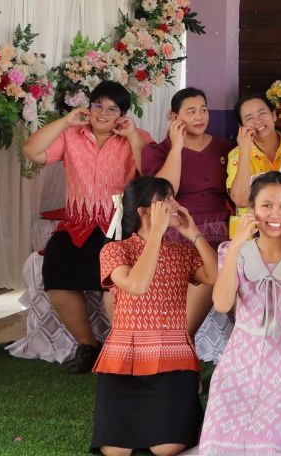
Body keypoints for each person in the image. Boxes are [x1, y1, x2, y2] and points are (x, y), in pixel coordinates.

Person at [22, 80, 150, 374]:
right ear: (88, 108)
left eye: (112, 108)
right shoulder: (70, 135)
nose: (103, 113)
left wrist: (132, 137)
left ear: (122, 115)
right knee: (54, 270)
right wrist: (64, 121)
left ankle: (122, 348)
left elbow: (150, 173)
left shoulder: (137, 137)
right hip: (77, 226)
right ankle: (88, 345)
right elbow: (32, 151)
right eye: (98, 105)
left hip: (119, 227)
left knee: (115, 283)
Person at [199, 172, 281, 455]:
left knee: (270, 447)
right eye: (266, 205)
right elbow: (222, 303)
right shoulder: (231, 250)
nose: (275, 215)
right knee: (215, 448)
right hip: (239, 362)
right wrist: (236, 245)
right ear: (252, 208)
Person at [90, 176, 217, 456]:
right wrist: (156, 235)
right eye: (166, 199)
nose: (175, 204)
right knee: (115, 451)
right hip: (123, 361)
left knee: (166, 449)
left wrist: (194, 233)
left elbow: (214, 277)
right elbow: (137, 285)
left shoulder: (181, 252)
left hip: (173, 359)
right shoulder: (114, 250)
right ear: (144, 212)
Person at [142, 86, 235, 334]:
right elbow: (165, 192)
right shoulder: (157, 151)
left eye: (203, 110)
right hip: (176, 231)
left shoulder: (225, 148)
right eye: (191, 111)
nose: (199, 116)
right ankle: (180, 339)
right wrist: (177, 147)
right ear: (174, 117)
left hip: (219, 232)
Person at [225, 94, 281, 239]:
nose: (257, 121)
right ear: (241, 127)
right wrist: (244, 151)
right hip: (250, 237)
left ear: (273, 115)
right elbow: (241, 200)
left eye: (262, 113)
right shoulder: (236, 154)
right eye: (249, 118)